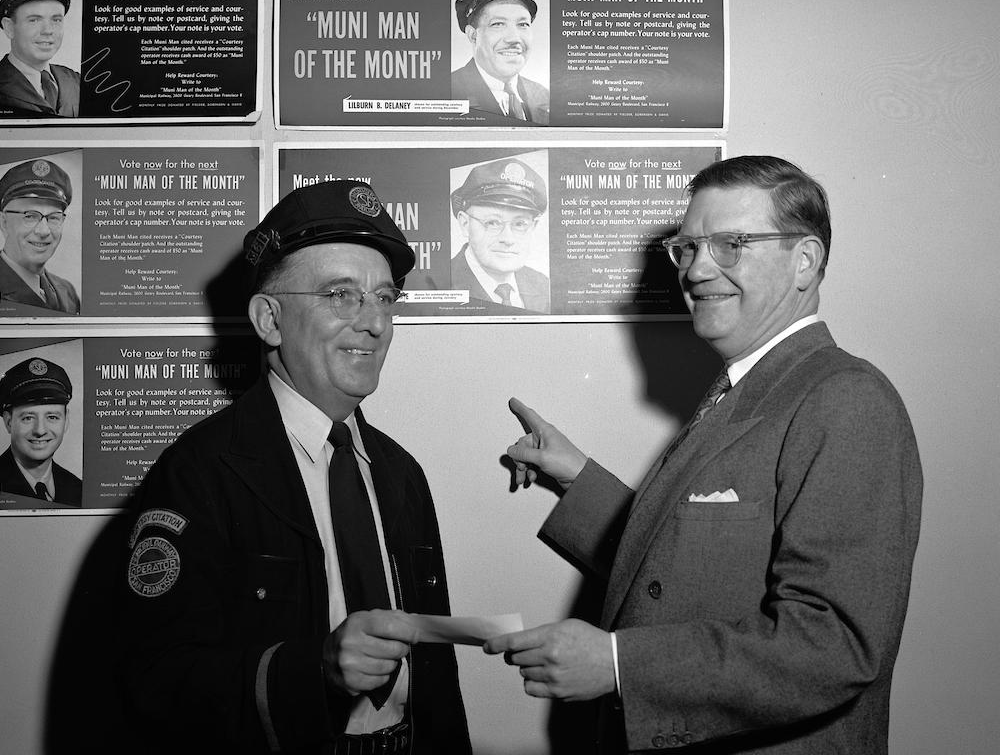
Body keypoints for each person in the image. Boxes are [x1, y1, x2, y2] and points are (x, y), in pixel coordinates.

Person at [486, 155, 922, 753]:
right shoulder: (742, 388)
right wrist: (577, 479)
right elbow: (687, 571)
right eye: (688, 248)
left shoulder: (847, 399)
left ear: (805, 261)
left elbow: (835, 645)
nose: (697, 269)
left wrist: (619, 665)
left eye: (731, 244)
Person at [120, 180, 471, 754]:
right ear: (269, 320)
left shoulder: (400, 473)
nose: (375, 324)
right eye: (341, 295)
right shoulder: (200, 473)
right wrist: (316, 670)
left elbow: (436, 676)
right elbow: (155, 683)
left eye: (385, 298)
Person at [451, 156, 551, 313]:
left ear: (533, 227)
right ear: (465, 224)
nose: (508, 239)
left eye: (520, 224)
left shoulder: (544, 286)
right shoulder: (439, 284)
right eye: (493, 223)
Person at [452, 0, 549, 124]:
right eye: (498, 24)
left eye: (523, 24)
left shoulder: (544, 96)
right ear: (473, 35)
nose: (514, 38)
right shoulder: (447, 93)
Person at [0, 158, 79, 314]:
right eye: (30, 216)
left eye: (54, 217)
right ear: (4, 222)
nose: (43, 231)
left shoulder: (67, 291)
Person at [0, 356, 82, 507]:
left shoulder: (78, 488)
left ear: (66, 420)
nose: (40, 430)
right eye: (28, 418)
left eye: (52, 417)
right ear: (8, 422)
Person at [0, 0, 80, 117]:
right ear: (9, 28)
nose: (48, 31)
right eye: (34, 20)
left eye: (56, 20)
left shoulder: (76, 81)